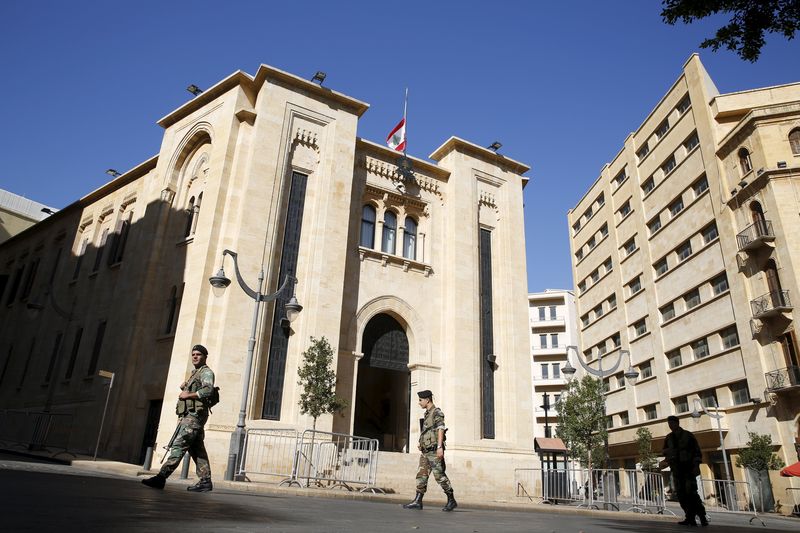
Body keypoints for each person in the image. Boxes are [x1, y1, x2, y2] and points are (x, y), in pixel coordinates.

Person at [142, 344, 216, 492]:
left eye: (198, 354)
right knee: (197, 450)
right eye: (193, 354)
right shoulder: (195, 373)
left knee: (178, 446)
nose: (195, 356)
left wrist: (188, 394)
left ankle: (161, 477)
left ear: (205, 357)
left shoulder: (206, 372)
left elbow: (208, 390)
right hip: (191, 417)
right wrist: (185, 387)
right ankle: (205, 481)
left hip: (194, 417)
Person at [402, 390, 457, 512]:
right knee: (421, 475)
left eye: (420, 400)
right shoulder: (427, 414)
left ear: (427, 400)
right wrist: (421, 442)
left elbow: (440, 429)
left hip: (434, 451)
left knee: (440, 476)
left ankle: (451, 500)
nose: (419, 403)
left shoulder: (437, 412)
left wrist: (439, 447)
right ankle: (418, 501)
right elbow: (427, 431)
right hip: (426, 452)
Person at [660, 415, 708, 526]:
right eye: (669, 424)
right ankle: (689, 517)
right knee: (682, 495)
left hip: (688, 469)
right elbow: (666, 452)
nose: (671, 426)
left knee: (692, 494)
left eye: (672, 423)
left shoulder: (688, 436)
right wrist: (665, 459)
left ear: (677, 423)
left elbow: (697, 452)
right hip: (677, 470)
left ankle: (702, 517)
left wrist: (696, 466)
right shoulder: (669, 438)